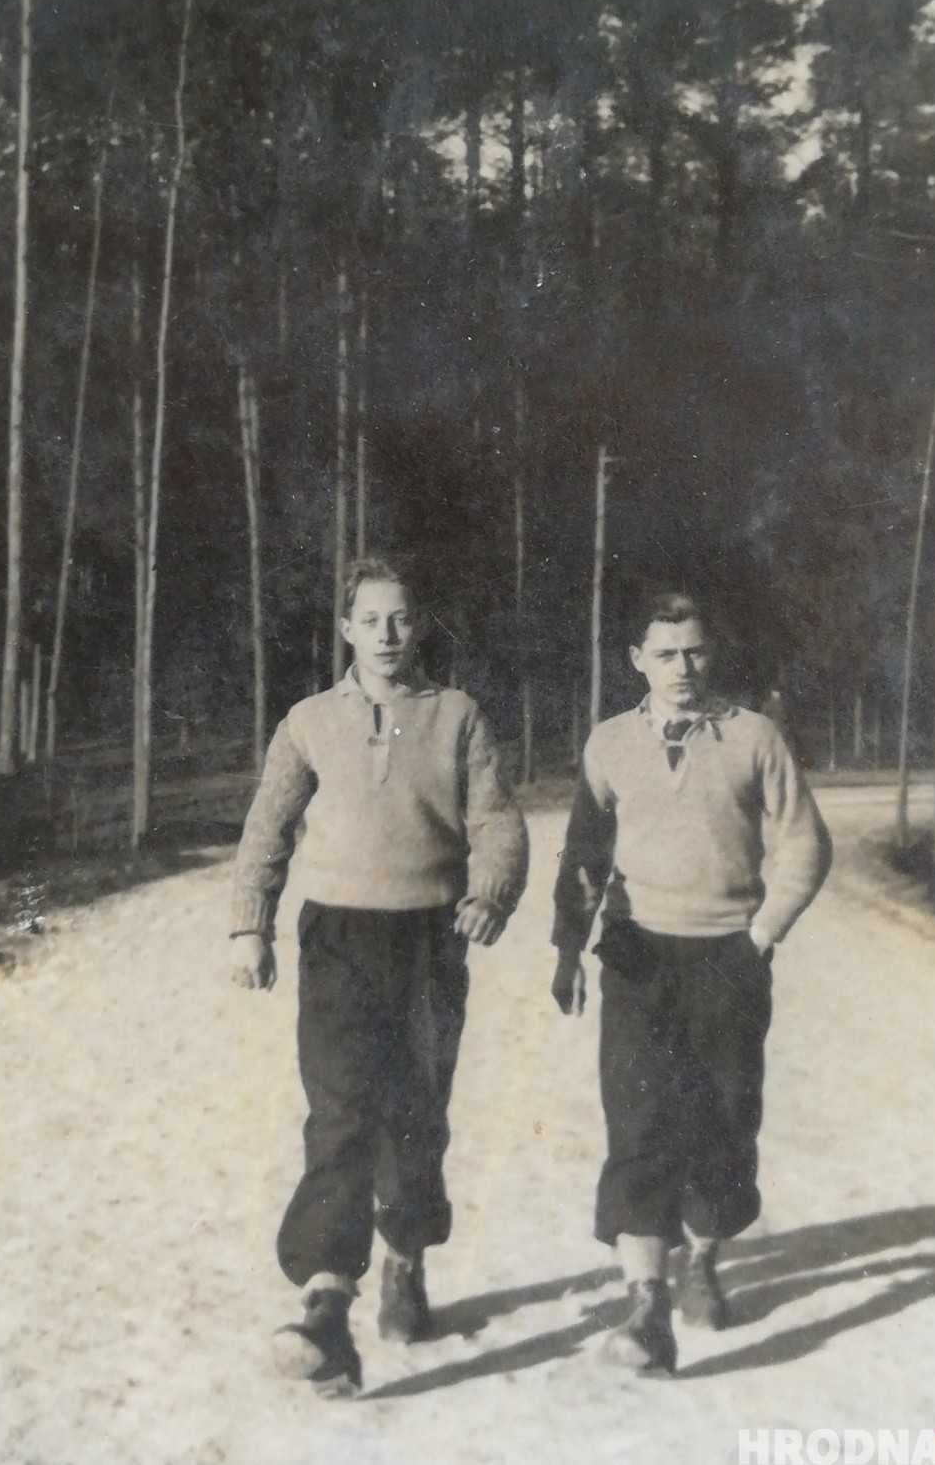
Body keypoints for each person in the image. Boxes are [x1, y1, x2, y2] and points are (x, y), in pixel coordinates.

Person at [230, 555, 528, 1396]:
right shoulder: (309, 721)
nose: (390, 636)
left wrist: (491, 893)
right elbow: (267, 829)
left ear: (418, 624)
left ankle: (406, 1256)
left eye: (402, 619)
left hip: (430, 940)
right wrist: (249, 925)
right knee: (342, 1113)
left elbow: (496, 820)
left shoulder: (458, 716)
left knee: (415, 1116)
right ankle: (327, 1306)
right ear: (346, 629)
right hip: (338, 940)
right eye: (372, 620)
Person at [549, 590, 830, 1376]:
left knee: (724, 1125)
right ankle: (647, 1305)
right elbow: (583, 857)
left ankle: (703, 1254)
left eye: (695, 651)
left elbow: (806, 845)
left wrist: (761, 936)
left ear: (714, 656)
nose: (682, 667)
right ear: (637, 660)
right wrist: (570, 950)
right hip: (638, 957)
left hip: (726, 959)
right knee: (638, 1124)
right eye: (665, 653)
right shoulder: (609, 744)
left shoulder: (753, 737)